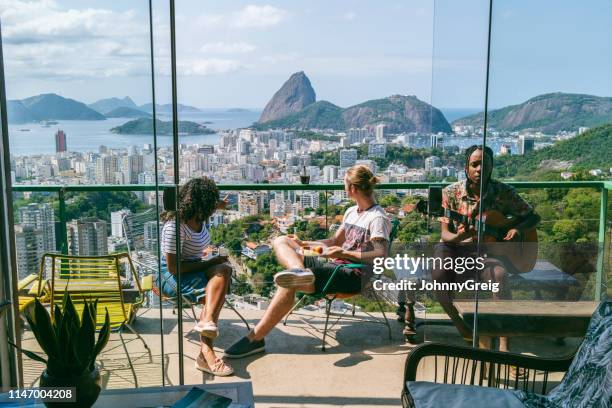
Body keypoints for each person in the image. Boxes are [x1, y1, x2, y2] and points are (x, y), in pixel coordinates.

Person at [224, 164, 392, 358]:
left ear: (353, 188)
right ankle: (298, 271)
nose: (343, 189)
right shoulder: (351, 212)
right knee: (281, 240)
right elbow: (333, 242)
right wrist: (303, 243)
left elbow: (381, 255)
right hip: (334, 265)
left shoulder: (377, 218)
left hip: (352, 274)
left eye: (344, 185)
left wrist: (346, 255)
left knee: (289, 283)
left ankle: (255, 338)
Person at [432, 145, 540, 352]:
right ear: (466, 168)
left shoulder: (504, 192)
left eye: (485, 164)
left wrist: (517, 229)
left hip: (487, 251)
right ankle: (461, 326)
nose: (480, 169)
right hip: (455, 245)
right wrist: (461, 235)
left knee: (499, 275)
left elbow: (533, 217)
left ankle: (504, 341)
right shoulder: (450, 193)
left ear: (492, 167)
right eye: (475, 164)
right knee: (438, 275)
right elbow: (445, 234)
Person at [160, 177, 234, 376]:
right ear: (200, 204)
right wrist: (211, 261)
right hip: (172, 275)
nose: (213, 207)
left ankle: (207, 320)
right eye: (211, 202)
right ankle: (206, 353)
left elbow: (212, 205)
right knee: (210, 296)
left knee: (225, 270)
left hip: (195, 265)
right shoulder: (176, 226)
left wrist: (220, 205)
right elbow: (173, 268)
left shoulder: (199, 215)